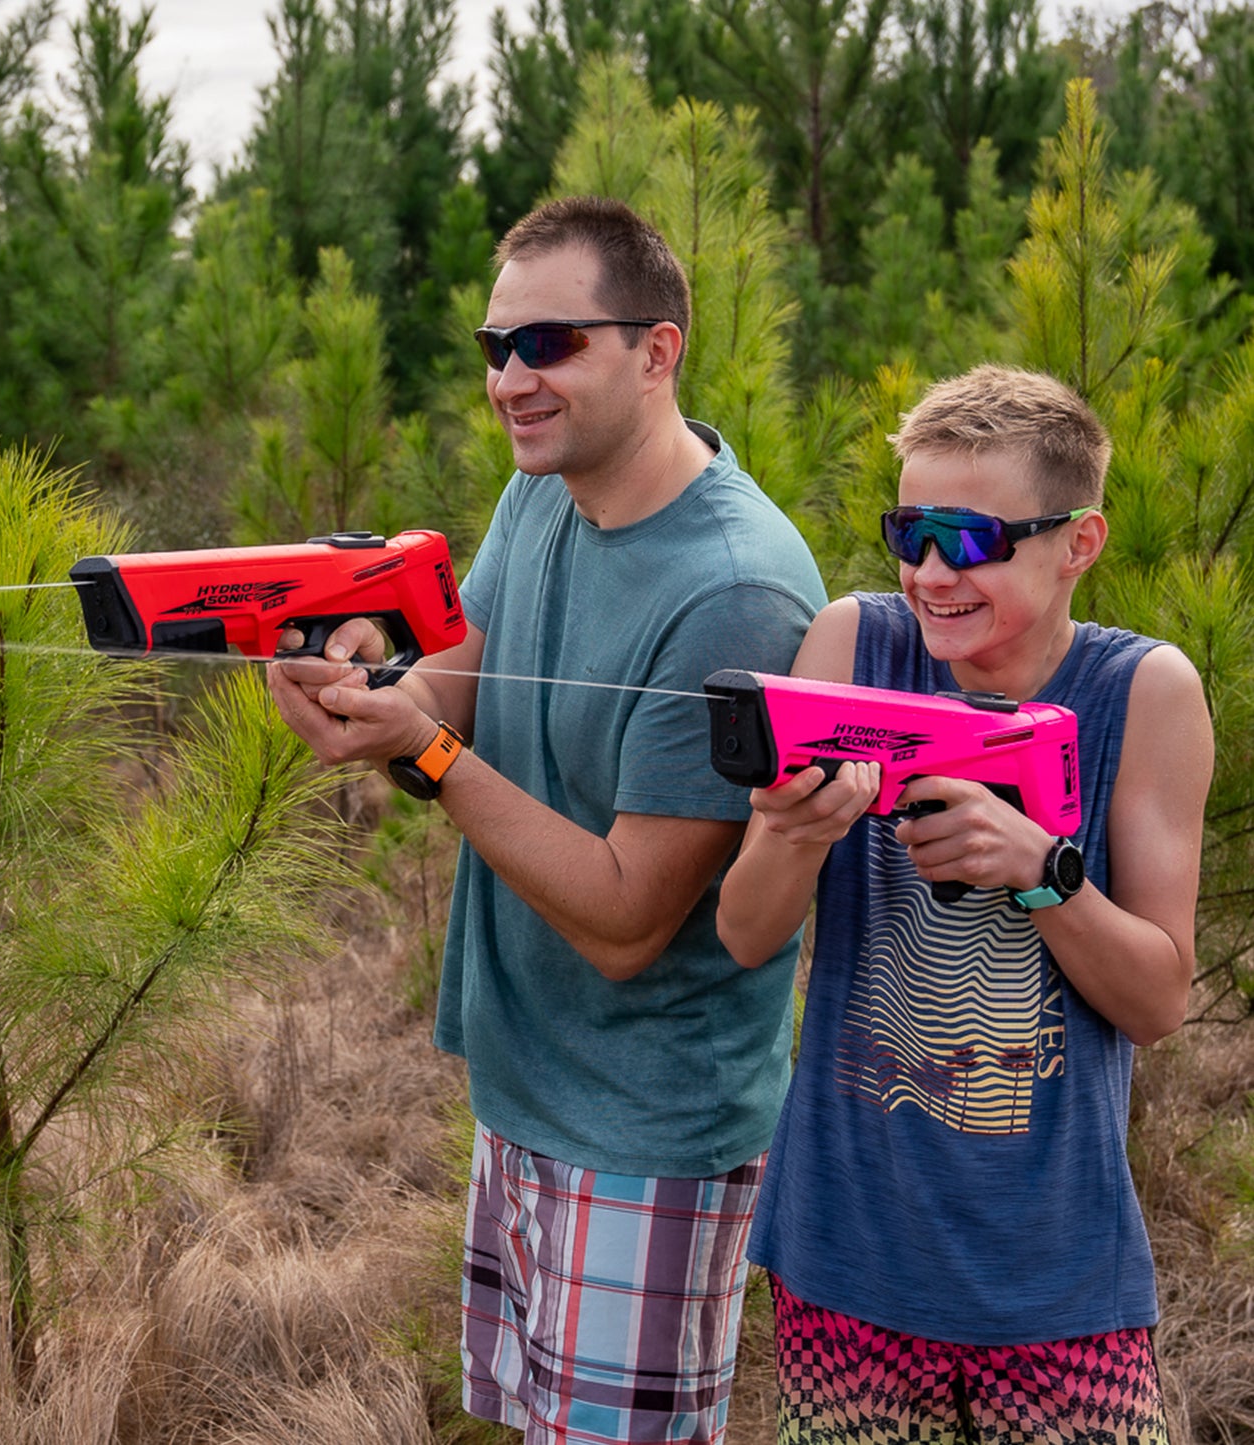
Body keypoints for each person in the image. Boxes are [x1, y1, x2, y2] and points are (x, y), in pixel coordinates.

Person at [266, 195, 826, 1444]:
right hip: (525, 1090)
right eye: (495, 348)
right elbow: (464, 681)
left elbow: (630, 916)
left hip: (646, 1129)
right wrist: (365, 692)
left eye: (551, 344)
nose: (512, 378)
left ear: (657, 349)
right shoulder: (546, 489)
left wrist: (422, 743)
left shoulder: (730, 591)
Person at [716, 364, 1214, 1443]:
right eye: (908, 531)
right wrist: (795, 834)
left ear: (1078, 541)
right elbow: (745, 931)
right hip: (845, 1253)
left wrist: (1038, 868)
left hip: (1054, 1276)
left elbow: (1157, 998)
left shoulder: (1144, 691)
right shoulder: (857, 645)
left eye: (972, 539)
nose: (931, 570)